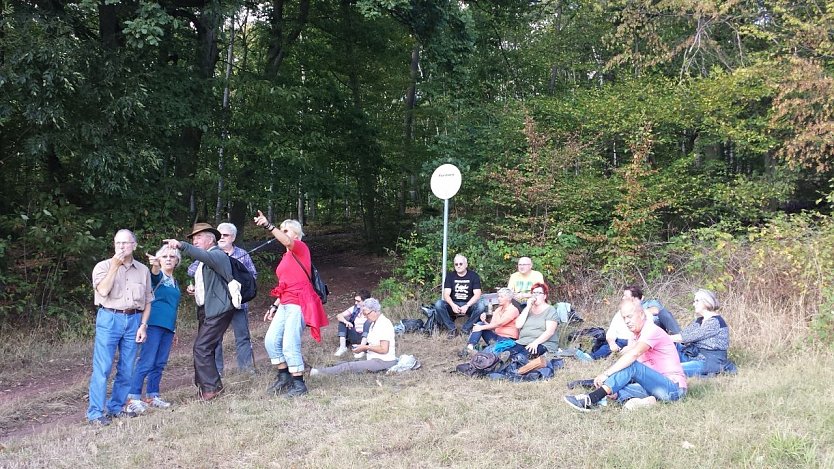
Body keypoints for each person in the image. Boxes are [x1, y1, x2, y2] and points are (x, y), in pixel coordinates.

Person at [563, 299, 687, 411]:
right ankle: (643, 401)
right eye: (624, 318)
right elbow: (625, 360)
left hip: (673, 389)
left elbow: (633, 355)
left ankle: (591, 399)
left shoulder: (652, 331)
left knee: (631, 366)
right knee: (617, 388)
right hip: (654, 386)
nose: (627, 321)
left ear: (642, 314)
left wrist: (606, 374)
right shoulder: (635, 335)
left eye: (630, 316)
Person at [254, 211, 328, 397]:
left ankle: (299, 384)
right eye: (281, 229)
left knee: (289, 343)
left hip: (299, 302)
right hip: (285, 302)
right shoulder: (286, 257)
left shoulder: (301, 248)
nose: (283, 232)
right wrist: (275, 305)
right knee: (271, 340)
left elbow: (287, 242)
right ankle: (284, 377)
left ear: (296, 234)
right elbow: (286, 285)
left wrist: (268, 226)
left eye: (286, 230)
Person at [164, 223, 237, 401]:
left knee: (201, 347)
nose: (195, 241)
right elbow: (211, 284)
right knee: (206, 348)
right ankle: (205, 387)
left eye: (198, 237)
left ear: (210, 239)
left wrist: (181, 244)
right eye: (193, 239)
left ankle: (211, 388)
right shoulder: (207, 260)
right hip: (208, 309)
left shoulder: (217, 254)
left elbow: (200, 255)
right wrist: (196, 289)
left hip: (218, 310)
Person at [87, 229, 153, 426]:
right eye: (118, 243)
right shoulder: (102, 266)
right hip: (109, 318)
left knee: (127, 368)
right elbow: (103, 290)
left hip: (134, 320)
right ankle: (96, 413)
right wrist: (114, 267)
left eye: (125, 243)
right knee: (103, 367)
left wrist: (143, 325)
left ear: (134, 245)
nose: (122, 247)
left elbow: (148, 300)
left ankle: (116, 407)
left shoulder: (143, 270)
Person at [186, 222, 257, 376]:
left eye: (226, 235)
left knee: (242, 337)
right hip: (216, 307)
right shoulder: (208, 255)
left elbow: (252, 277)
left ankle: (246, 370)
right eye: (221, 235)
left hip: (238, 305)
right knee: (215, 340)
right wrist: (194, 286)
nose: (223, 238)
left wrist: (238, 288)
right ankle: (217, 371)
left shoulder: (241, 254)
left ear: (234, 237)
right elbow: (191, 271)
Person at [126, 245, 182, 412]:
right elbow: (155, 275)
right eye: (164, 256)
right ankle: (133, 397)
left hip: (168, 327)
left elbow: (172, 306)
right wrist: (155, 265)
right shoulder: (156, 277)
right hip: (153, 324)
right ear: (159, 259)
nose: (168, 259)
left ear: (177, 261)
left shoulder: (175, 282)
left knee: (160, 363)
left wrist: (174, 328)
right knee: (146, 361)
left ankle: (152, 395)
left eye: (172, 257)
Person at [310, 298, 397, 376]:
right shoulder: (374, 323)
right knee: (343, 363)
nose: (366, 317)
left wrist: (365, 347)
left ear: (375, 311)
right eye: (364, 314)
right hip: (374, 358)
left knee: (349, 366)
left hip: (384, 361)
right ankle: (319, 369)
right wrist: (363, 348)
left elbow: (384, 349)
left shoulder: (384, 324)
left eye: (367, 314)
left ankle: (316, 373)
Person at [670, 289, 737, 377]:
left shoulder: (714, 322)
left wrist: (662, 338)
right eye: (694, 301)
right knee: (671, 345)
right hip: (694, 356)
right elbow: (684, 334)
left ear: (706, 302)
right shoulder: (700, 320)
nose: (694, 304)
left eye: (697, 301)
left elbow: (686, 337)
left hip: (708, 362)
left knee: (672, 370)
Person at [508, 282, 559, 373]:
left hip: (543, 343)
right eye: (534, 293)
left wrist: (535, 343)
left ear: (545, 296)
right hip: (523, 341)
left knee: (522, 355)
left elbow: (549, 332)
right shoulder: (527, 309)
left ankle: (516, 371)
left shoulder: (550, 310)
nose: (535, 295)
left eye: (539, 293)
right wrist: (527, 307)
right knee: (508, 352)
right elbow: (518, 325)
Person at [433, 254, 487, 338]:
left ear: (466, 265)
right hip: (454, 303)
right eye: (456, 264)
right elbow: (446, 294)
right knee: (438, 304)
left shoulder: (473, 276)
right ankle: (451, 329)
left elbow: (477, 294)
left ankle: (465, 329)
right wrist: (452, 305)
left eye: (461, 264)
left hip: (468, 304)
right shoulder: (450, 276)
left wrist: (467, 305)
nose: (458, 266)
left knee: (481, 306)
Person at [465, 287, 520, 351]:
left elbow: (499, 324)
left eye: (501, 297)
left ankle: (482, 350)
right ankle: (470, 347)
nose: (499, 299)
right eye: (498, 296)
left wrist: (481, 327)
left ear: (508, 299)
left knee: (480, 327)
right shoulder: (498, 309)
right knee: (480, 323)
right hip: (496, 337)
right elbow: (492, 326)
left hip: (508, 339)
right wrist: (484, 321)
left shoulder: (512, 310)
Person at [333, 289, 372, 358]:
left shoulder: (372, 310)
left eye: (358, 301)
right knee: (343, 321)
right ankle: (342, 347)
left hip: (367, 337)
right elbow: (339, 316)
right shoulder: (355, 308)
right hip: (355, 334)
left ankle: (362, 349)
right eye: (355, 300)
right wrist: (346, 322)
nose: (356, 303)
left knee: (368, 322)